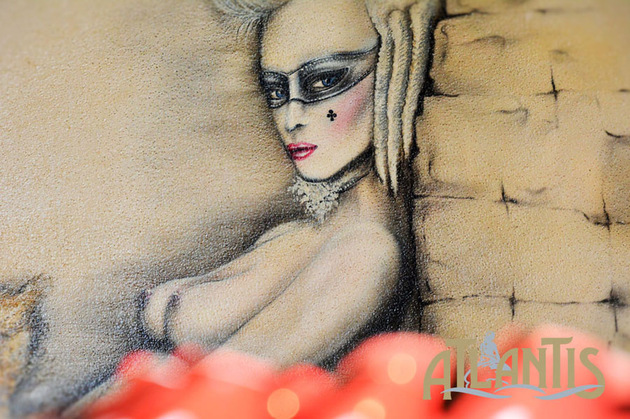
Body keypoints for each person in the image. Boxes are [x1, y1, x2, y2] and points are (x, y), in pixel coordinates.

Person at [141, 0, 441, 367]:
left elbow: (222, 386)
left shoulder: (366, 253)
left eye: (324, 80)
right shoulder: (301, 234)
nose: (291, 117)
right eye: (276, 91)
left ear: (396, 69)